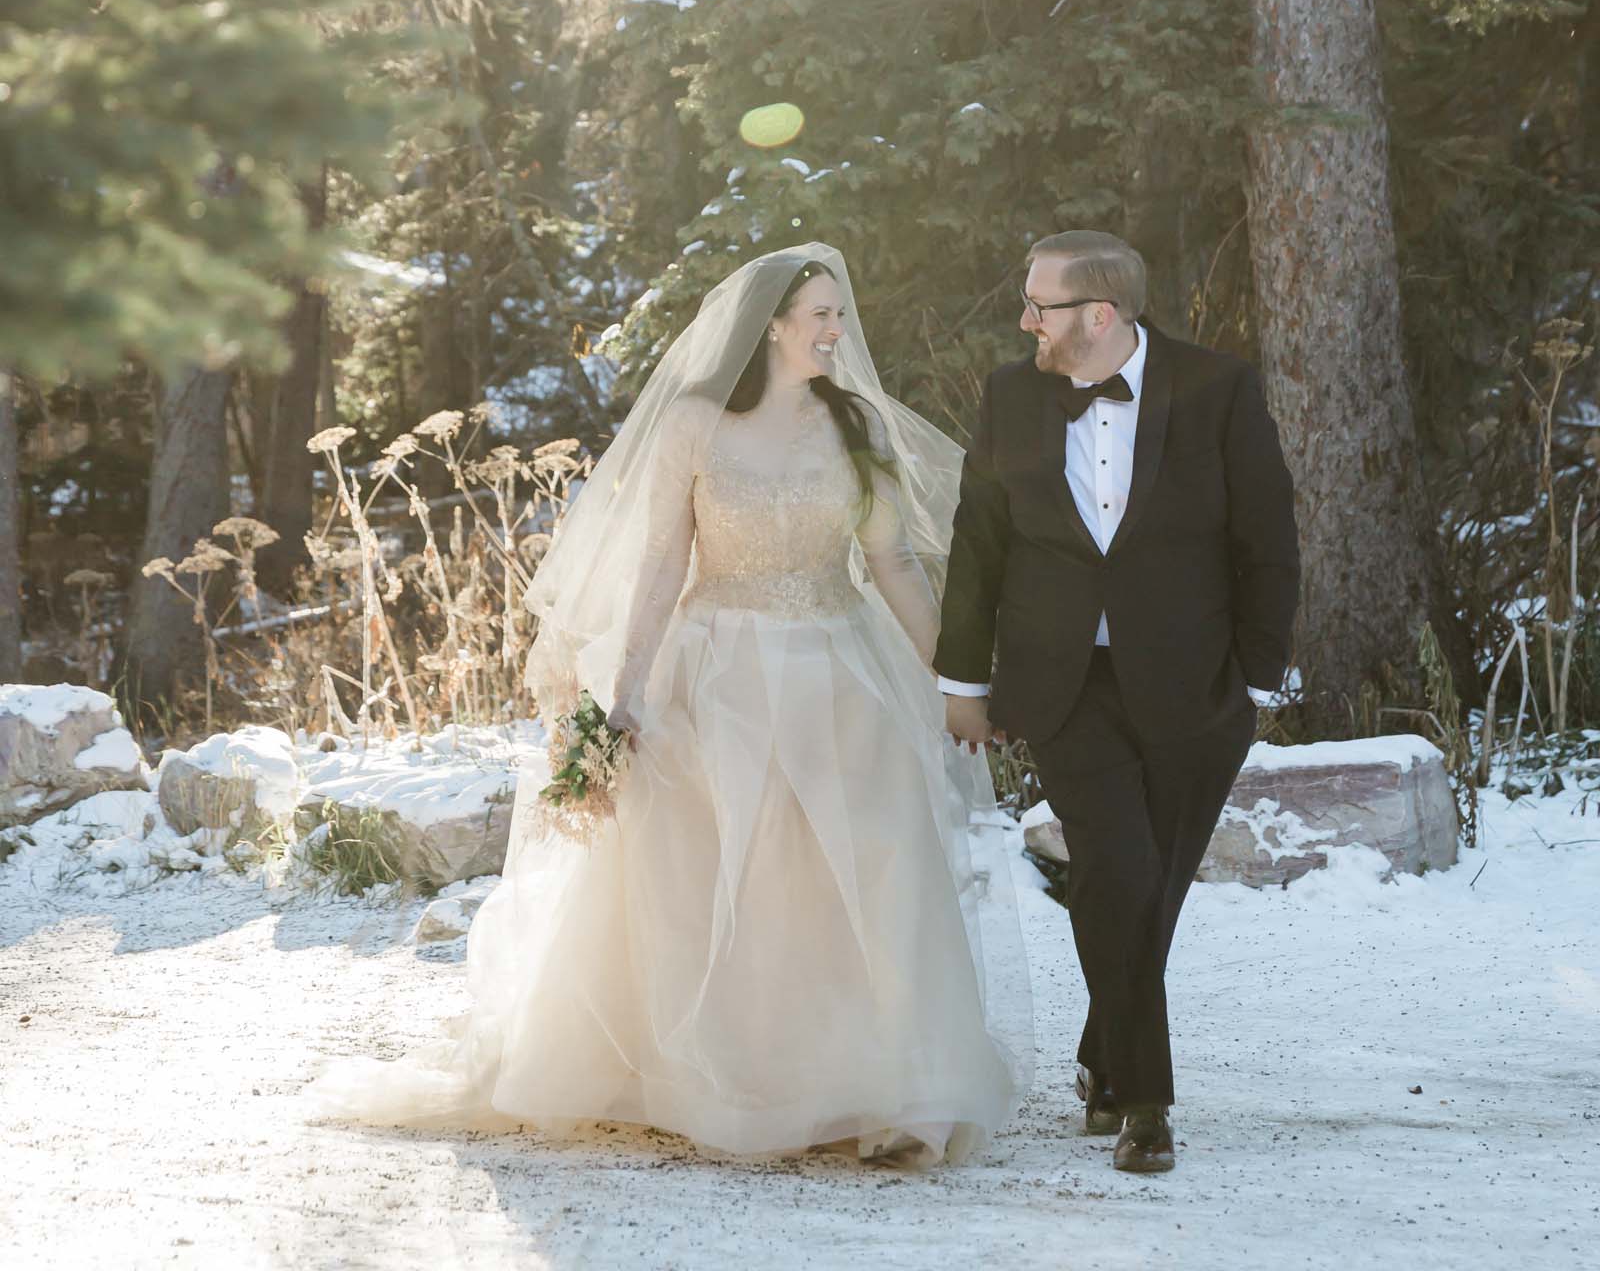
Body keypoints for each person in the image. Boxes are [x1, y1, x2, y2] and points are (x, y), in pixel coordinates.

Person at [310, 243, 1031, 1168]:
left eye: (839, 314)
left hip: (839, 667)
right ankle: (725, 1079)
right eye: (818, 313)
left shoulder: (856, 427)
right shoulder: (694, 425)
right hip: (717, 666)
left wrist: (950, 685)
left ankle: (874, 1081)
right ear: (769, 325)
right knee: (723, 864)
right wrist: (629, 692)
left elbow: (891, 565)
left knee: (867, 863)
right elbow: (660, 565)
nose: (835, 329)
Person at [936, 230, 1298, 1175]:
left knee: (1152, 892)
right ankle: (1145, 1103)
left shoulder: (1217, 388)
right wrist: (963, 681)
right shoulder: (1013, 395)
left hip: (1196, 687)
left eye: (1039, 307)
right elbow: (978, 541)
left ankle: (1104, 1055)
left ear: (1099, 316)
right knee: (1121, 874)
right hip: (1063, 687)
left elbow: (1268, 533)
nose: (1024, 323)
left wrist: (1256, 676)